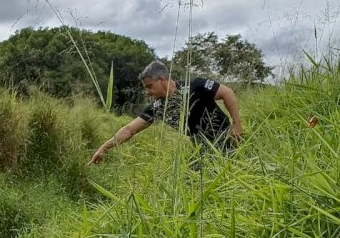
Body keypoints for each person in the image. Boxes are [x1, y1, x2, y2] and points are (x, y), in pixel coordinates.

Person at [89, 60, 242, 165]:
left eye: (149, 86)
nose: (147, 92)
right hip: (200, 145)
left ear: (162, 79)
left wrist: (237, 124)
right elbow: (129, 130)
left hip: (225, 138)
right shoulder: (158, 107)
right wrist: (103, 148)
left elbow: (227, 92)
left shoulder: (195, 86)